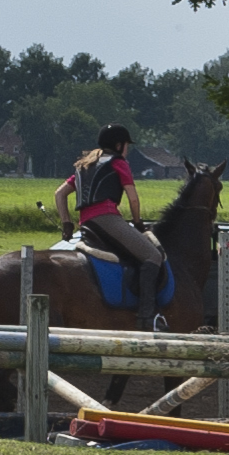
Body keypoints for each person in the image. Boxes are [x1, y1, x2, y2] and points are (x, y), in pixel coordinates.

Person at [64, 124, 168, 325]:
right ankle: (148, 316)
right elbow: (133, 198)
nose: (127, 150)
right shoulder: (118, 163)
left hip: (86, 222)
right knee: (153, 256)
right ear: (119, 145)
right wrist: (137, 223)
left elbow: (59, 194)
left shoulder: (84, 165)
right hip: (107, 218)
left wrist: (66, 222)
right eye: (127, 145)